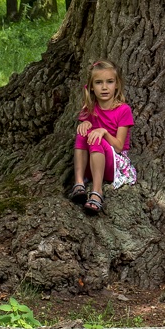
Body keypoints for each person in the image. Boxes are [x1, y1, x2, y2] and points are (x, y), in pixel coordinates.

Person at [70, 58, 136, 213]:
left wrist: (104, 132)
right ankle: (79, 183)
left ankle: (97, 191)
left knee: (95, 139)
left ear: (117, 84)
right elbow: (84, 135)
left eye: (110, 82)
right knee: (84, 132)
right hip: (91, 166)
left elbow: (119, 146)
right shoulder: (90, 108)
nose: (105, 87)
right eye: (99, 83)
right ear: (91, 87)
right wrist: (84, 124)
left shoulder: (123, 110)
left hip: (114, 165)